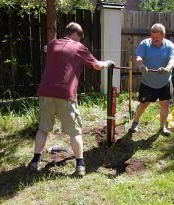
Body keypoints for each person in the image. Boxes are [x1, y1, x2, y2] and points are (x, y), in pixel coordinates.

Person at [28, 22, 115, 176]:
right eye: (80, 38)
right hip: (65, 94)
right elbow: (97, 66)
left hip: (45, 92)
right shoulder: (79, 47)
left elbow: (48, 49)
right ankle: (80, 166)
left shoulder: (53, 44)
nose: (80, 42)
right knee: (75, 132)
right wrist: (108, 63)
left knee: (43, 129)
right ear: (77, 35)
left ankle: (35, 161)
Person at [129, 23, 174, 135]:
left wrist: (167, 68)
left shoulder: (170, 46)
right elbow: (139, 56)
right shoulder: (145, 44)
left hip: (164, 82)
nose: (154, 40)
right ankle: (135, 123)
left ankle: (162, 127)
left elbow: (172, 60)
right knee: (143, 104)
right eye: (152, 37)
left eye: (157, 38)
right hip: (148, 82)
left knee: (165, 105)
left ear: (163, 36)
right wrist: (141, 65)